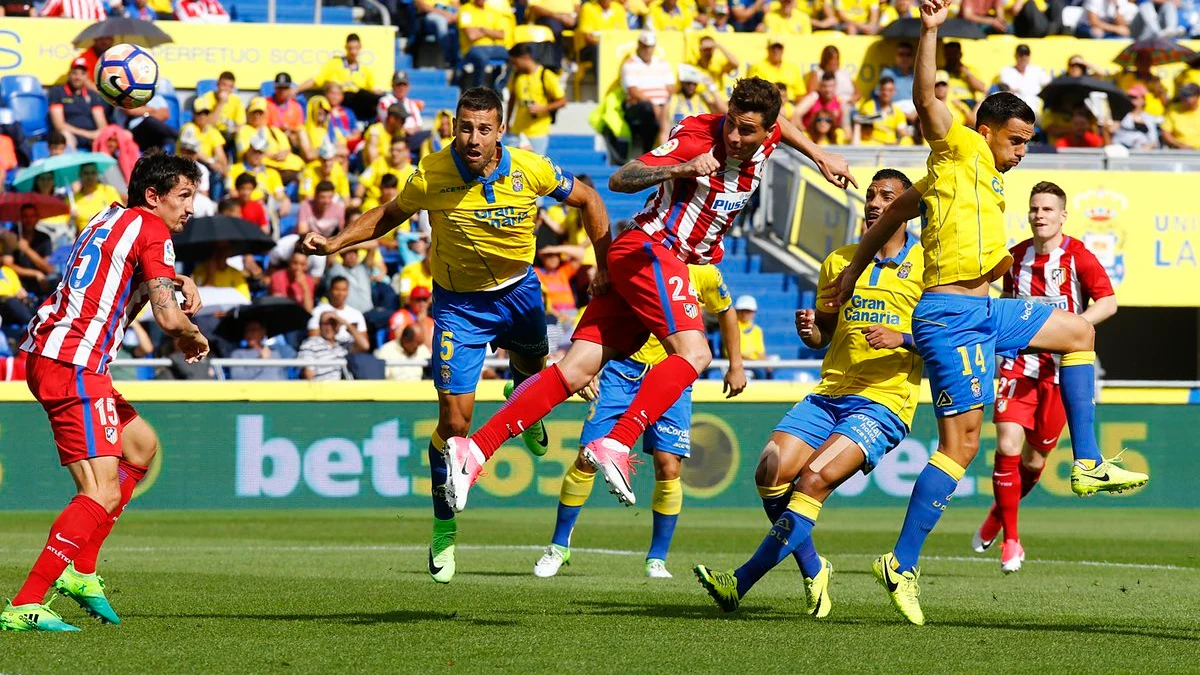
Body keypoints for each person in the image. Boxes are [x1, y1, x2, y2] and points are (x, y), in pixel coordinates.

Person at [823, 3, 1148, 626]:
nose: (1023, 153)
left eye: (1028, 142)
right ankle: (902, 561)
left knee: (1079, 328)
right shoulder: (956, 146)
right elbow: (924, 98)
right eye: (1017, 141)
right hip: (947, 316)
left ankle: (1086, 462)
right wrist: (931, 30)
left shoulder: (970, 178)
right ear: (989, 129)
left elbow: (892, 216)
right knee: (961, 444)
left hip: (986, 309)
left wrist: (852, 269)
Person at [440, 79, 854, 522]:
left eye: (746, 129)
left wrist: (820, 153)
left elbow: (782, 127)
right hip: (654, 248)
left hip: (650, 262)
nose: (734, 136)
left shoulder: (767, 134)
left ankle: (474, 450)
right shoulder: (698, 136)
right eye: (731, 123)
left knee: (576, 369)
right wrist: (680, 169)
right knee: (695, 354)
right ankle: (618, 442)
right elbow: (621, 179)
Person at [298, 87, 612, 585]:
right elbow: (389, 214)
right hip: (459, 307)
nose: (472, 137)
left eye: (483, 128)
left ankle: (523, 395)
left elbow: (590, 199)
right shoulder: (432, 173)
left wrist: (605, 267)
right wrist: (336, 242)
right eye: (465, 127)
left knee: (533, 374)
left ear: (500, 131)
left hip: (519, 293)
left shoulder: (531, 168)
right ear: (453, 127)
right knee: (455, 424)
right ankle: (444, 529)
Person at [693, 169, 923, 617]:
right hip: (831, 391)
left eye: (887, 197)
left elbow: (946, 335)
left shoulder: (928, 268)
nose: (874, 202)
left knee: (813, 479)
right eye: (871, 195)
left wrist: (904, 338)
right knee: (769, 471)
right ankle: (815, 568)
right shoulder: (839, 262)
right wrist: (812, 331)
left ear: (907, 210)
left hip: (884, 397)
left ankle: (739, 583)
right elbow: (825, 334)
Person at [1, 153, 208, 632]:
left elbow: (119, 271)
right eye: (183, 196)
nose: (190, 208)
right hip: (72, 360)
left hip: (59, 352)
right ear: (153, 197)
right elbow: (167, 317)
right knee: (101, 490)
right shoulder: (153, 230)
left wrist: (178, 279)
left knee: (140, 445)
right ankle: (26, 602)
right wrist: (193, 334)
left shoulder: (108, 216)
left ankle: (82, 570)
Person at [534, 264, 746, 580]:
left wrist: (736, 364)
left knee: (669, 466)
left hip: (673, 374)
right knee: (587, 458)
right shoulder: (639, 261)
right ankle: (558, 546)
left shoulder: (705, 273)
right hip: (622, 371)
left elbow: (727, 312)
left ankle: (657, 559)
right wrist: (587, 366)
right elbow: (601, 310)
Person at [974, 181, 1118, 574]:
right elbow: (1007, 304)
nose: (1040, 215)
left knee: (1035, 461)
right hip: (1019, 366)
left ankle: (997, 516)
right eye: (1035, 209)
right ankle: (1012, 542)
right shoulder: (1015, 257)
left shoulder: (1078, 257)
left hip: (1061, 374)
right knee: (1007, 444)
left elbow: (1108, 302)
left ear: (1062, 216)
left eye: (1048, 210)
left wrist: (1072, 328)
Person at [621, 31, 677, 156]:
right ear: (639, 45)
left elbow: (671, 87)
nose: (648, 50)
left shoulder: (662, 63)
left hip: (662, 105)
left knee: (669, 110)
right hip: (641, 106)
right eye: (645, 46)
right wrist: (654, 105)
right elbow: (633, 91)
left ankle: (665, 151)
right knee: (648, 110)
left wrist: (664, 104)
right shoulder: (630, 64)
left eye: (651, 46)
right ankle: (652, 150)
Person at [303, 33, 383, 121]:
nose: (353, 52)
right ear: (346, 48)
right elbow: (315, 80)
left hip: (358, 102)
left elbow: (374, 88)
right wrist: (296, 90)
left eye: (355, 48)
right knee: (348, 94)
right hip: (342, 99)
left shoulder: (365, 70)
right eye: (350, 48)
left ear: (360, 47)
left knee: (366, 95)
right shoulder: (334, 64)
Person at [506, 43, 567, 155]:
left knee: (535, 166)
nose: (514, 66)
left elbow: (562, 101)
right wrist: (507, 121)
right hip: (517, 130)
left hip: (538, 131)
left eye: (515, 62)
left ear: (526, 58)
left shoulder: (545, 75)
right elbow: (512, 99)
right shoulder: (516, 76)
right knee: (511, 164)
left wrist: (543, 108)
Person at [48, 58, 108, 151]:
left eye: (82, 74)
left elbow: (102, 123)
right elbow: (59, 125)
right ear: (69, 74)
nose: (78, 77)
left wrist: (98, 134)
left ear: (87, 76)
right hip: (70, 135)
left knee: (111, 135)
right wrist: (87, 134)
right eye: (75, 73)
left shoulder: (92, 94)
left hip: (91, 137)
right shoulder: (58, 92)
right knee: (65, 135)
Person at [457, 0, 511, 90]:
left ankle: (500, 87)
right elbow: (471, 35)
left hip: (493, 47)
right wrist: (490, 32)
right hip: (473, 48)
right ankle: (478, 90)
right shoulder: (465, 10)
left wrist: (482, 30)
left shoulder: (492, 10)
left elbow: (501, 34)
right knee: (482, 58)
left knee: (514, 56)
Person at [307, 276, 370, 353]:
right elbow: (313, 338)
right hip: (324, 351)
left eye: (344, 290)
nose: (340, 293)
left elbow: (364, 345)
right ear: (330, 291)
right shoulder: (318, 311)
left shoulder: (356, 314)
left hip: (349, 352)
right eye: (337, 289)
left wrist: (346, 324)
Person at [179, 93, 229, 176]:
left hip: (206, 166)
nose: (203, 116)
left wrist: (225, 170)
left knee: (220, 174)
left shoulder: (212, 130)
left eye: (206, 113)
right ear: (194, 114)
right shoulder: (188, 128)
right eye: (199, 113)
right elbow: (193, 150)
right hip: (186, 165)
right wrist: (212, 162)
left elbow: (220, 154)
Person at [748, 38, 804, 107]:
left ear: (783, 50)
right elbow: (752, 92)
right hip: (767, 105)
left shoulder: (792, 68)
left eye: (779, 48)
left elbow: (800, 93)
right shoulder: (757, 67)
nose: (776, 51)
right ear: (768, 49)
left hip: (790, 105)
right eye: (773, 48)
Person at [857, 76, 910, 145]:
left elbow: (903, 131)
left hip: (891, 146)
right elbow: (864, 128)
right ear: (879, 91)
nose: (886, 93)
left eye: (890, 90)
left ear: (894, 91)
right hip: (872, 144)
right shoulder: (868, 107)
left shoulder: (897, 111)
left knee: (907, 140)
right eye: (883, 90)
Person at [998, 45, 1050, 114]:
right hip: (1014, 112)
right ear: (1015, 56)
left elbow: (1048, 86)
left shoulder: (1038, 70)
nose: (1024, 57)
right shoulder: (1006, 71)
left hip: (1035, 112)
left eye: (1026, 54)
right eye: (1021, 54)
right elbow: (1006, 91)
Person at [71, 163, 123, 232]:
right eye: (86, 173)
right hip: (84, 237)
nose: (90, 176)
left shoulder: (108, 190)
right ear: (80, 175)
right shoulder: (72, 200)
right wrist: (71, 219)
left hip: (108, 233)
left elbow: (120, 213)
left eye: (93, 173)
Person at [299, 312, 350, 381]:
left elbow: (364, 346)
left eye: (332, 324)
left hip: (345, 387)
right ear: (319, 325)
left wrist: (345, 323)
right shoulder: (310, 344)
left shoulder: (344, 343)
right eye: (325, 324)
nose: (328, 327)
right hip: (321, 388)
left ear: (338, 326)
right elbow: (308, 375)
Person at [575, 0, 628, 67]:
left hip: (613, 48)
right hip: (590, 48)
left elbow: (624, 34)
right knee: (598, 50)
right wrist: (605, 45)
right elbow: (588, 38)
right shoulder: (588, 7)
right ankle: (600, 76)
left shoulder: (619, 8)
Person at [1110, 84, 1160, 149]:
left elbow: (1154, 142)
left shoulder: (1148, 118)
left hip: (1140, 154)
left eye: (1134, 97)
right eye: (1130, 97)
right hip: (1120, 152)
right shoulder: (1120, 115)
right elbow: (1114, 139)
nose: (1131, 100)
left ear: (1143, 99)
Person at [880, 41, 916, 119]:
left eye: (908, 55)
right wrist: (902, 114)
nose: (905, 58)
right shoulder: (888, 73)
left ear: (913, 57)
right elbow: (883, 97)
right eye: (901, 54)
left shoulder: (917, 74)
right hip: (894, 112)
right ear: (896, 56)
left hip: (916, 114)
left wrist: (915, 114)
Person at [1160, 83, 1200, 149]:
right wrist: (1179, 145)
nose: (1183, 98)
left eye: (1187, 96)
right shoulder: (1173, 109)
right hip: (1180, 152)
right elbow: (1165, 133)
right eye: (1182, 96)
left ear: (1196, 96)